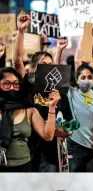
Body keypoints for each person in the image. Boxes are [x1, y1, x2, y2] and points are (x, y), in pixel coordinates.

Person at [13, 13, 72, 172]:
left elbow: (56, 73)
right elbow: (18, 60)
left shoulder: (56, 91)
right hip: (32, 147)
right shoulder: (27, 85)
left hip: (53, 150)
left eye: (50, 64)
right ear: (33, 68)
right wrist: (20, 32)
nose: (48, 68)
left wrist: (59, 49)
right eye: (43, 64)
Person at [0, 67, 60, 172]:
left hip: (23, 166)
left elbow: (48, 135)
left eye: (16, 83)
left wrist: (52, 107)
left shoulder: (29, 109)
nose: (12, 88)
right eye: (6, 84)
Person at [66, 65, 93, 172]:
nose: (86, 80)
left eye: (89, 77)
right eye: (83, 77)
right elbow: (59, 77)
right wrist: (60, 50)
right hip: (76, 145)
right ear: (77, 80)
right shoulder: (72, 93)